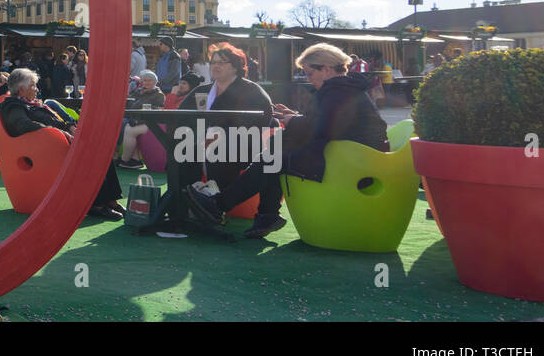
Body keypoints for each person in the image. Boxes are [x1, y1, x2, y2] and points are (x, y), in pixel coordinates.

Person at [189, 43, 389, 240]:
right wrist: (296, 117)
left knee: (273, 159)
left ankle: (223, 205)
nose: (308, 80)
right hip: (351, 155)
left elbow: (324, 128)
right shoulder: (343, 89)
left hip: (350, 161)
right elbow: (328, 123)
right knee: (277, 149)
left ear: (326, 69)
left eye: (309, 74)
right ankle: (264, 214)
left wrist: (294, 120)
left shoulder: (338, 91)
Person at [0, 68, 125, 221]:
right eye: (33, 85)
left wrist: (69, 126)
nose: (37, 89)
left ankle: (110, 201)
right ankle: (96, 205)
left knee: (102, 152)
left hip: (58, 144)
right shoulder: (13, 106)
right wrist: (55, 131)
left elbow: (56, 120)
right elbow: (22, 125)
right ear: (21, 89)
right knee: (92, 157)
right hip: (45, 152)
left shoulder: (33, 104)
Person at [175, 43, 275, 229]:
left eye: (222, 62)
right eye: (213, 62)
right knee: (181, 150)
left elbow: (259, 121)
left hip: (241, 146)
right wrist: (195, 138)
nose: (215, 66)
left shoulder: (251, 91)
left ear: (236, 66)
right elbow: (181, 117)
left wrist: (218, 136)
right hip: (202, 144)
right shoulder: (202, 91)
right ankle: (185, 203)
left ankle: (213, 208)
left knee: (217, 149)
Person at [118, 70, 162, 167]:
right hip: (135, 119)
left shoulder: (159, 95)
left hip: (150, 122)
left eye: (150, 80)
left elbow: (158, 110)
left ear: (155, 82)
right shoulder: (139, 92)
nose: (147, 82)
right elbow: (130, 104)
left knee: (129, 130)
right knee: (120, 124)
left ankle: (124, 160)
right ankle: (135, 159)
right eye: (145, 80)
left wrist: (138, 120)